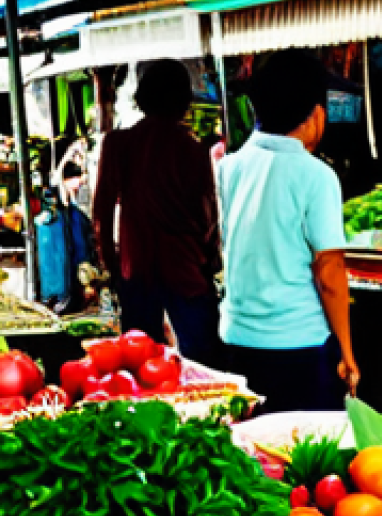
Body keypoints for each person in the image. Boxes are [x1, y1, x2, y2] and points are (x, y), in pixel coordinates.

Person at [217, 49, 358, 413]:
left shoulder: (230, 167)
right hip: (300, 347)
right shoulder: (316, 176)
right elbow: (330, 273)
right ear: (315, 114)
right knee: (309, 459)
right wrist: (346, 351)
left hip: (237, 341)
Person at [93, 59, 221, 366]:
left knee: (138, 362)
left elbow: (102, 212)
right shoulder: (192, 150)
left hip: (136, 266)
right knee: (203, 363)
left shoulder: (118, 144)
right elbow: (207, 216)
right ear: (183, 101)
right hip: (185, 266)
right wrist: (211, 262)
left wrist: (111, 264)